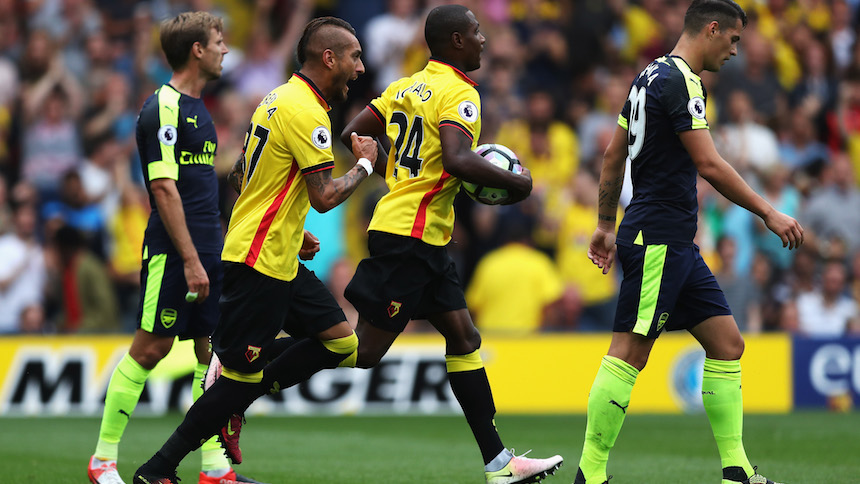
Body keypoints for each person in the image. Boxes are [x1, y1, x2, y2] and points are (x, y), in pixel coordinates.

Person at [132, 16, 377, 484]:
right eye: (354, 57)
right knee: (242, 381)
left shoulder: (276, 98)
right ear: (329, 58)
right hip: (257, 261)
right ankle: (156, 470)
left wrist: (290, 224)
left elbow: (241, 175)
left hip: (277, 253)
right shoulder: (307, 111)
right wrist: (365, 163)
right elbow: (325, 195)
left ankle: (234, 382)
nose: (360, 68)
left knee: (342, 343)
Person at [574, 2, 803, 484]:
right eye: (734, 39)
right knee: (628, 353)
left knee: (727, 344)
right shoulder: (681, 80)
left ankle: (736, 471)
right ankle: (590, 475)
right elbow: (710, 164)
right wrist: (769, 211)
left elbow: (614, 156)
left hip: (672, 238)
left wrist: (603, 223)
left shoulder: (646, 78)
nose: (736, 51)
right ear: (712, 29)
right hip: (658, 236)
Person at [341, 5, 563, 483]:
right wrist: (519, 185)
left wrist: (396, 177)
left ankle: (500, 464)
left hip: (422, 236)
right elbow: (458, 160)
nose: (485, 39)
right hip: (410, 237)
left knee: (464, 337)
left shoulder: (404, 85)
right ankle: (242, 364)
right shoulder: (459, 91)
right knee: (362, 352)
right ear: (457, 41)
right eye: (477, 32)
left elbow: (353, 131)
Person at [87, 12, 262, 484]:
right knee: (152, 348)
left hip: (207, 247)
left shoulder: (200, 108)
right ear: (197, 51)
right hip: (174, 251)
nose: (226, 49)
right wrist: (188, 258)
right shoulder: (161, 107)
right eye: (219, 41)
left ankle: (212, 469)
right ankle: (102, 461)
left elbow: (200, 190)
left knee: (209, 357)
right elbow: (162, 188)